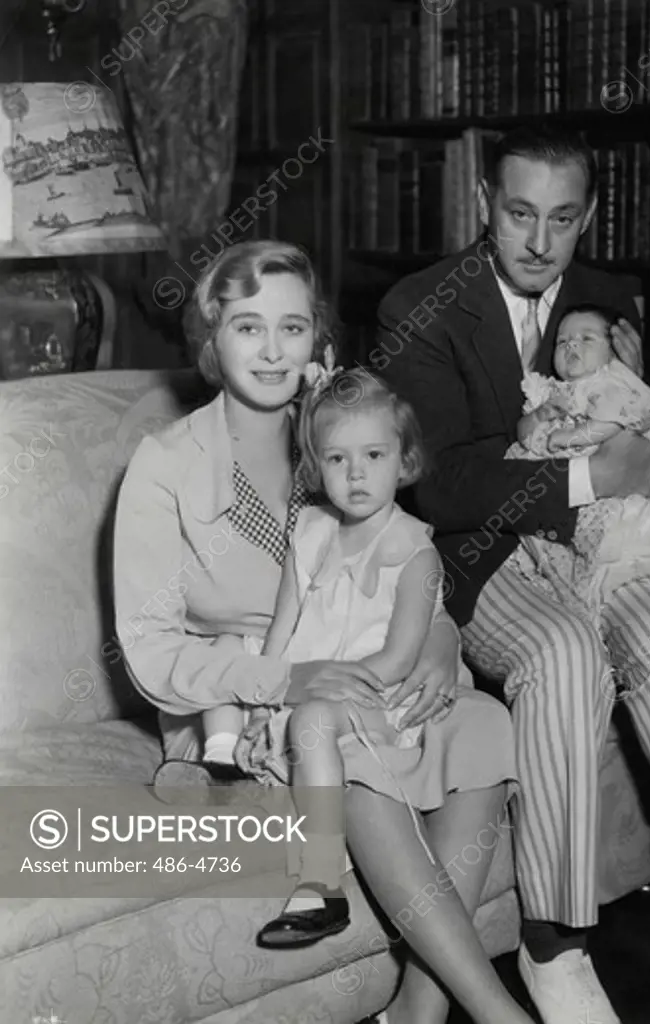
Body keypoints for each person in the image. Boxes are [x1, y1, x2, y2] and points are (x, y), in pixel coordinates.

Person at [378, 127, 650, 1024]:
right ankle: (555, 944)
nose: (538, 242)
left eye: (561, 219)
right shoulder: (417, 304)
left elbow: (640, 425)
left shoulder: (606, 298)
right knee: (559, 659)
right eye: (519, 214)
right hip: (481, 557)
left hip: (597, 545)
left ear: (587, 217)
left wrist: (623, 472)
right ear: (484, 204)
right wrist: (585, 474)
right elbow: (436, 481)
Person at [114, 239, 530, 1024]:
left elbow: (390, 566)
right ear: (211, 338)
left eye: (292, 327)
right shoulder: (164, 461)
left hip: (366, 667)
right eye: (247, 328)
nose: (272, 351)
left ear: (317, 337)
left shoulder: (341, 430)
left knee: (479, 728)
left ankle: (419, 1004)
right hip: (239, 706)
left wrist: (441, 640)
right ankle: (496, 1011)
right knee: (344, 745)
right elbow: (150, 651)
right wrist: (289, 682)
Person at [509, 302, 650, 625]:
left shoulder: (611, 386)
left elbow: (610, 425)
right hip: (560, 497)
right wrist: (539, 416)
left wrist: (568, 437)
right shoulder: (549, 390)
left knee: (616, 553)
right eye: (562, 341)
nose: (572, 345)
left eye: (586, 339)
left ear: (614, 354)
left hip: (609, 494)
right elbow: (522, 433)